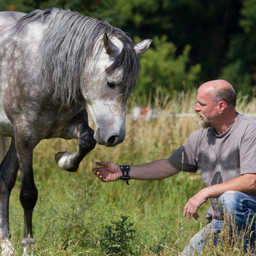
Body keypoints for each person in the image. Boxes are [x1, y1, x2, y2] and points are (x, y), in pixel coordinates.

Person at [92, 79, 256, 254]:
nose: (195, 108)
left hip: (250, 212)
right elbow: (168, 165)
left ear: (221, 106)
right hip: (222, 221)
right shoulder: (199, 137)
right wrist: (123, 171)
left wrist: (205, 192)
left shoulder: (249, 130)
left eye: (201, 104)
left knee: (229, 199)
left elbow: (251, 180)